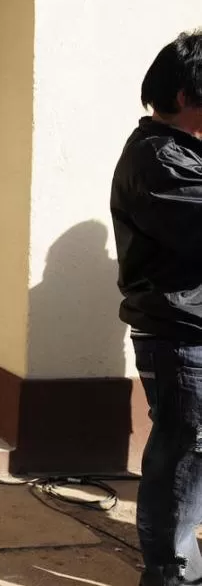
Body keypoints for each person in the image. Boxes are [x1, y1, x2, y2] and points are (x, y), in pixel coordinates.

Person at [111, 30, 202, 586]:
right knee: (183, 462)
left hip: (189, 331)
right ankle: (172, 577)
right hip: (183, 338)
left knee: (189, 461)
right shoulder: (160, 159)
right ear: (187, 94)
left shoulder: (180, 153)